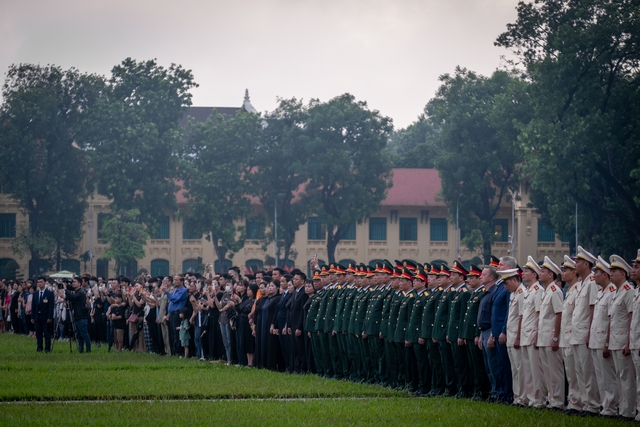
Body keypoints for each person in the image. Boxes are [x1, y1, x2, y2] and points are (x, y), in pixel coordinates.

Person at [605, 255, 636, 421]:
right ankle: (623, 409)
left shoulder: (628, 292)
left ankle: (629, 411)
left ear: (623, 274)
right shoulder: (616, 293)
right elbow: (612, 320)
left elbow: (632, 318)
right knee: (619, 376)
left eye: (614, 271)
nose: (611, 273)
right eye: (610, 270)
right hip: (616, 341)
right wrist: (608, 341)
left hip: (624, 340)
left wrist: (628, 342)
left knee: (627, 378)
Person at [571, 246, 600, 416]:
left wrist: (590, 332)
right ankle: (583, 403)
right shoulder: (581, 283)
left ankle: (593, 405)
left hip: (584, 333)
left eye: (579, 262)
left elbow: (592, 309)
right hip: (577, 333)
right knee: (580, 371)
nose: (575, 264)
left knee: (588, 372)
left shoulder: (591, 283)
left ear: (587, 265)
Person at [537, 256, 564, 411]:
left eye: (543, 271)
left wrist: (556, 336)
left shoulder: (555, 291)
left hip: (551, 336)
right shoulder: (547, 291)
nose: (540, 273)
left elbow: (559, 314)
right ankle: (552, 399)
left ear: (551, 275)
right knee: (548, 372)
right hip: (543, 336)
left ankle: (558, 401)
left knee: (555, 372)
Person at [65, 277, 91, 353]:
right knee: (79, 335)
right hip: (77, 316)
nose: (73, 283)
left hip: (82, 316)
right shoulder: (77, 292)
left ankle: (88, 350)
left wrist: (66, 289)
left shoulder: (80, 292)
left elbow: (72, 297)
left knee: (84, 334)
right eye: (72, 282)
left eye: (75, 282)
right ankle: (81, 349)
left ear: (79, 283)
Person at [32, 276, 55, 353]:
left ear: (45, 282)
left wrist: (50, 317)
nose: (40, 284)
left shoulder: (49, 294)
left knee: (47, 334)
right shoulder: (35, 294)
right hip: (37, 317)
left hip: (46, 317)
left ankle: (47, 348)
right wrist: (32, 317)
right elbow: (33, 306)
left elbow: (51, 306)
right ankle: (39, 348)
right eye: (38, 282)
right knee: (38, 333)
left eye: (41, 282)